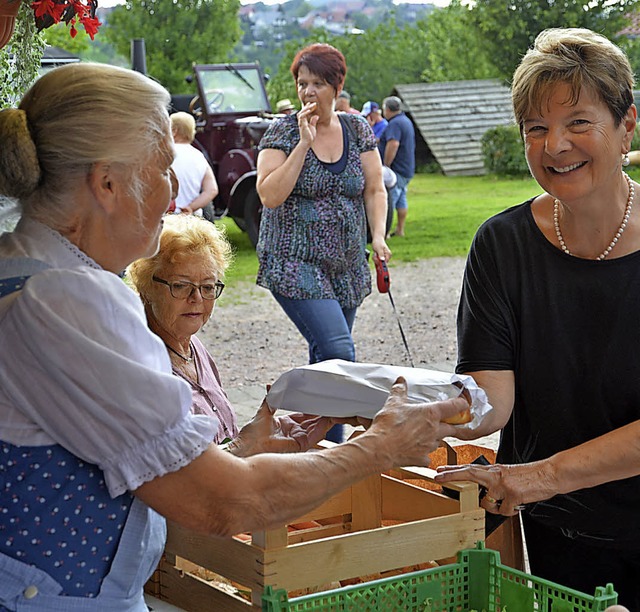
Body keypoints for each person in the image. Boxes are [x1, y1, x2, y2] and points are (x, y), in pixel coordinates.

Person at [0, 61, 467, 610]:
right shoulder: (64, 300)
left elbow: (128, 453)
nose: (174, 188)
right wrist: (380, 447)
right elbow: (220, 503)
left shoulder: (28, 268)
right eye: (161, 169)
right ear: (106, 184)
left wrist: (243, 447)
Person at [434, 28, 640, 608]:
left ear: (626, 125)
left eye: (578, 121)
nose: (555, 146)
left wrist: (533, 478)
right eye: (536, 128)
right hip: (556, 534)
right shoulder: (501, 244)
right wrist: (398, 414)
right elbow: (489, 399)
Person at [255, 43, 391, 443]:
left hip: (346, 263)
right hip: (295, 261)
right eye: (302, 83)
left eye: (318, 83)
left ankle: (315, 451)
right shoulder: (280, 131)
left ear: (338, 85)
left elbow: (374, 189)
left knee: (327, 364)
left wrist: (379, 236)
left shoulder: (357, 129)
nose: (308, 91)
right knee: (339, 352)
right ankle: (337, 454)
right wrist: (303, 143)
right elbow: (269, 195)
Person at [127, 214, 238, 443]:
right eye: (181, 285)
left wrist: (266, 429)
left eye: (207, 286)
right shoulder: (145, 366)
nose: (196, 298)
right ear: (146, 286)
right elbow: (183, 471)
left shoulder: (192, 346)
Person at [379, 95, 415, 238]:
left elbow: (393, 144)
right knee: (401, 200)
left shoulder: (395, 124)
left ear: (388, 109)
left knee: (389, 201)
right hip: (407, 168)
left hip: (397, 169)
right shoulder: (405, 120)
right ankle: (400, 230)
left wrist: (386, 165)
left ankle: (383, 233)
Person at [170, 111, 218, 215]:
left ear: (174, 131)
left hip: (168, 216)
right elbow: (212, 190)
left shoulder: (164, 153)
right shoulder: (199, 156)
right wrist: (191, 207)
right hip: (191, 217)